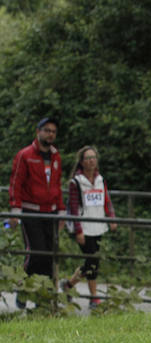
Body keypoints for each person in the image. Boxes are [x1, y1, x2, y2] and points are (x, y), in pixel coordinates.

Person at [8, 117, 65, 289]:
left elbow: (57, 185)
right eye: (47, 130)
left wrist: (62, 210)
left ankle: (44, 296)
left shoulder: (56, 156)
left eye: (53, 132)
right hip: (31, 211)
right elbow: (15, 183)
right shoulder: (25, 155)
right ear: (38, 131)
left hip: (52, 212)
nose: (50, 134)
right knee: (37, 252)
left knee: (49, 255)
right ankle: (24, 287)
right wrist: (15, 209)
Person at [62, 146, 117, 307]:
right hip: (84, 227)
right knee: (93, 261)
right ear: (81, 162)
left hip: (98, 225)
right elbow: (73, 207)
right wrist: (78, 231)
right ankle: (94, 297)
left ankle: (68, 285)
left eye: (94, 157)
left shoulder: (100, 179)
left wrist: (111, 218)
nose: (91, 161)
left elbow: (106, 200)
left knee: (90, 261)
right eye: (88, 158)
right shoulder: (76, 182)